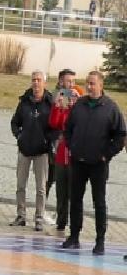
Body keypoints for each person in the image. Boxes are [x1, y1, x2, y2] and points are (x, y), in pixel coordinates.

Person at [61, 70, 125, 255]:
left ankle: (100, 241)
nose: (89, 86)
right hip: (78, 161)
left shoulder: (111, 108)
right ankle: (74, 237)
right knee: (75, 200)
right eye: (87, 83)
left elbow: (120, 135)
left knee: (99, 202)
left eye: (93, 83)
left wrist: (107, 154)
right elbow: (68, 128)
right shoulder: (79, 105)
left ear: (101, 85)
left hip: (98, 164)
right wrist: (71, 146)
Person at [10, 71, 57, 230]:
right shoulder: (24, 101)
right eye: (33, 80)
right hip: (24, 149)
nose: (36, 83)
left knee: (41, 188)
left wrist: (47, 140)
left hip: (41, 151)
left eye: (39, 80)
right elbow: (15, 122)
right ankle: (20, 215)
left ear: (44, 82)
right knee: (20, 185)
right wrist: (19, 135)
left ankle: (38, 217)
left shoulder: (50, 103)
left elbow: (55, 127)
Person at [49, 70, 78, 237]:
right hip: (61, 154)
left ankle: (74, 225)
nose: (71, 85)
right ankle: (61, 223)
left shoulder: (78, 102)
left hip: (75, 155)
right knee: (61, 191)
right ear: (61, 83)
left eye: (73, 81)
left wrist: (77, 104)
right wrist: (57, 107)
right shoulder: (61, 101)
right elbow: (55, 123)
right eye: (68, 82)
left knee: (73, 192)